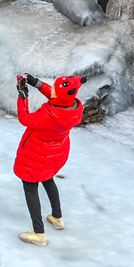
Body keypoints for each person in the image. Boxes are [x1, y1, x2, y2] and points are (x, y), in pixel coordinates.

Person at [14, 73, 87, 246]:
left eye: (54, 87)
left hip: (37, 154)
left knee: (30, 187)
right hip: (56, 153)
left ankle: (38, 233)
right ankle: (57, 217)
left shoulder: (48, 114)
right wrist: (36, 83)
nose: (51, 89)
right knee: (47, 179)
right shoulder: (74, 107)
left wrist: (22, 97)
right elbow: (56, 97)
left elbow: (25, 119)